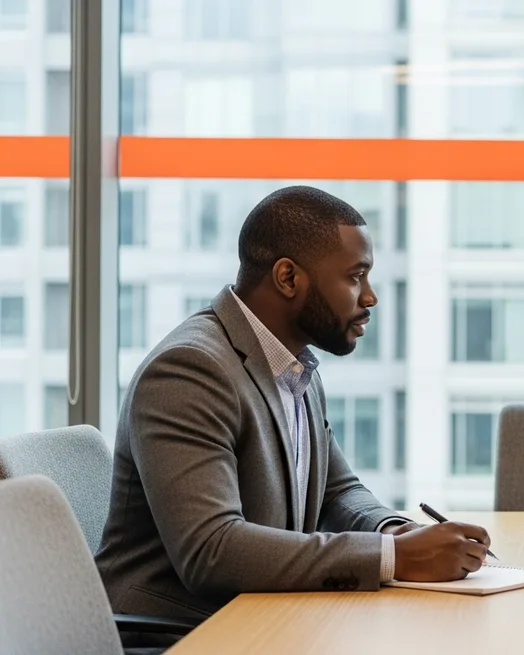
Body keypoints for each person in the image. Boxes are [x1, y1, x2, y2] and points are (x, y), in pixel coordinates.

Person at [95, 186, 490, 645]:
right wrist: (394, 557)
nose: (370, 297)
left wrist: (395, 531)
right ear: (287, 278)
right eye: (356, 277)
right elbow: (212, 550)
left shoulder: (293, 365)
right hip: (178, 636)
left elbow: (337, 492)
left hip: (264, 619)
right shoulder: (190, 370)